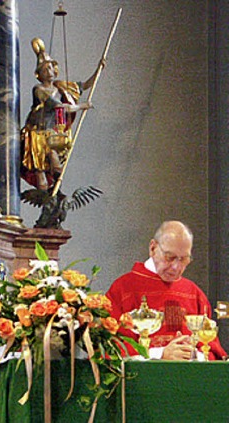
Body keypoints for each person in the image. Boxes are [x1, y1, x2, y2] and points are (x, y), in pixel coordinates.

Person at [106, 220, 227, 360]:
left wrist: (192, 354)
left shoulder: (194, 294)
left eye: (183, 259)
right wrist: (161, 354)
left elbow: (212, 350)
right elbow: (111, 348)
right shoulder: (123, 289)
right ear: (153, 248)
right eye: (170, 257)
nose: (176, 267)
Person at [20, 37, 100, 191]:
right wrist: (84, 106)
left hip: (50, 133)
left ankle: (55, 187)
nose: (48, 72)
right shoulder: (39, 90)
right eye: (44, 70)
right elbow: (61, 108)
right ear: (39, 74)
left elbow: (85, 85)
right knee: (40, 171)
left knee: (55, 160)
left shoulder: (61, 87)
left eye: (50, 68)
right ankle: (44, 193)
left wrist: (99, 69)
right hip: (36, 133)